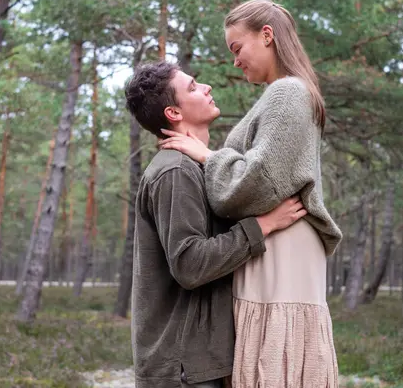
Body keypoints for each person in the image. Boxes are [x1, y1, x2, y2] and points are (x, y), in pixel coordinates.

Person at [160, 0, 343, 387]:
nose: (235, 61)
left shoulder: (288, 92)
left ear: (267, 36)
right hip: (276, 242)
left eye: (236, 48)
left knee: (275, 367)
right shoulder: (282, 93)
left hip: (282, 245)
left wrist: (208, 156)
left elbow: (254, 184)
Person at [125, 61, 308, 388]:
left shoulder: (193, 167)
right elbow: (190, 264)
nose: (206, 87)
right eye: (193, 87)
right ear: (174, 113)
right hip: (182, 369)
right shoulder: (175, 171)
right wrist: (262, 226)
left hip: (195, 363)